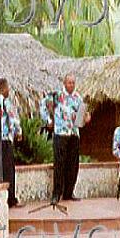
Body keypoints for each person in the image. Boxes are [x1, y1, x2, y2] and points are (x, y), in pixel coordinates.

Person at [40, 74, 91, 204]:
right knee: (59, 164)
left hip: (74, 134)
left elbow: (82, 117)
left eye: (73, 82)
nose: (71, 85)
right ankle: (56, 194)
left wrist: (86, 118)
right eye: (69, 82)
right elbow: (43, 105)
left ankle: (69, 193)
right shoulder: (56, 95)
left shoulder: (78, 98)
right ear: (64, 83)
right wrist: (48, 120)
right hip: (60, 133)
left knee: (73, 165)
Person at [0, 78, 22, 208]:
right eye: (7, 87)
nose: (9, 90)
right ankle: (11, 199)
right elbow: (12, 117)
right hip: (5, 139)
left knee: (1, 170)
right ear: (3, 88)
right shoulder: (5, 101)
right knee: (9, 170)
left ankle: (2, 199)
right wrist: (18, 131)